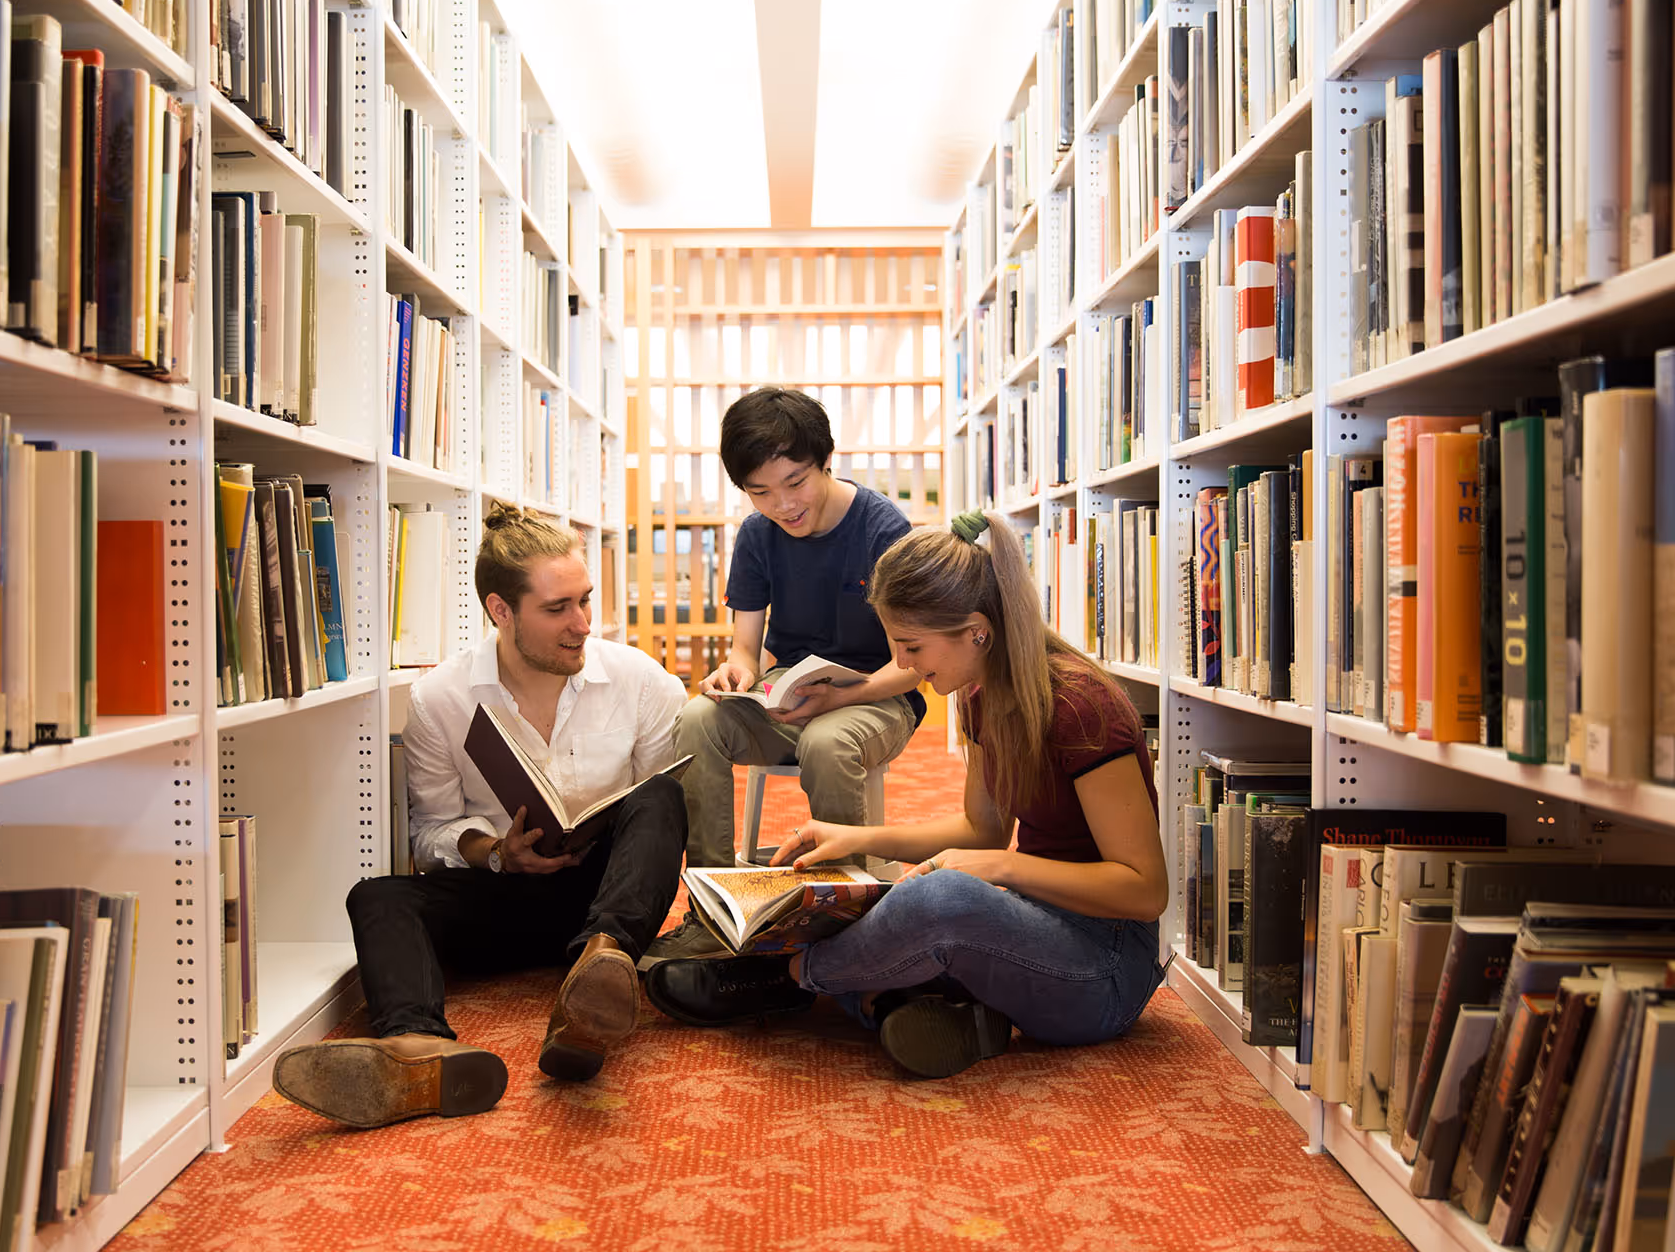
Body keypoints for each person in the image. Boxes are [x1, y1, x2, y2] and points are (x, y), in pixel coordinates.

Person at [643, 510, 1169, 1079]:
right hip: (1027, 927)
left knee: (939, 901)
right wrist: (855, 838)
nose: (902, 665)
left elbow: (1144, 892)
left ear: (977, 631)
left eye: (912, 646)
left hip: (1105, 966)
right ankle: (896, 1003)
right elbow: (980, 831)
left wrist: (1003, 868)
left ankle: (784, 980)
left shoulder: (1081, 709)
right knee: (863, 894)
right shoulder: (981, 692)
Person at [273, 504, 689, 1127]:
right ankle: (418, 1051)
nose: (581, 624)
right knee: (380, 897)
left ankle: (598, 977)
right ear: (501, 611)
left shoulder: (640, 681)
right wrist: (495, 851)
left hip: (613, 900)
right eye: (557, 609)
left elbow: (659, 823)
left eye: (585, 600)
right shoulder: (442, 698)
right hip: (510, 894)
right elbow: (430, 831)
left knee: (659, 797)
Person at [644, 387, 926, 965]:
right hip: (787, 694)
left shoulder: (883, 530)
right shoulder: (757, 535)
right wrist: (734, 672)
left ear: (826, 461)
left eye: (795, 483)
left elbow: (914, 663)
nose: (782, 505)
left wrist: (841, 697)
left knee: (827, 742)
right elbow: (746, 649)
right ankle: (715, 906)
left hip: (878, 696)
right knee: (697, 719)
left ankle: (841, 919)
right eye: (760, 492)